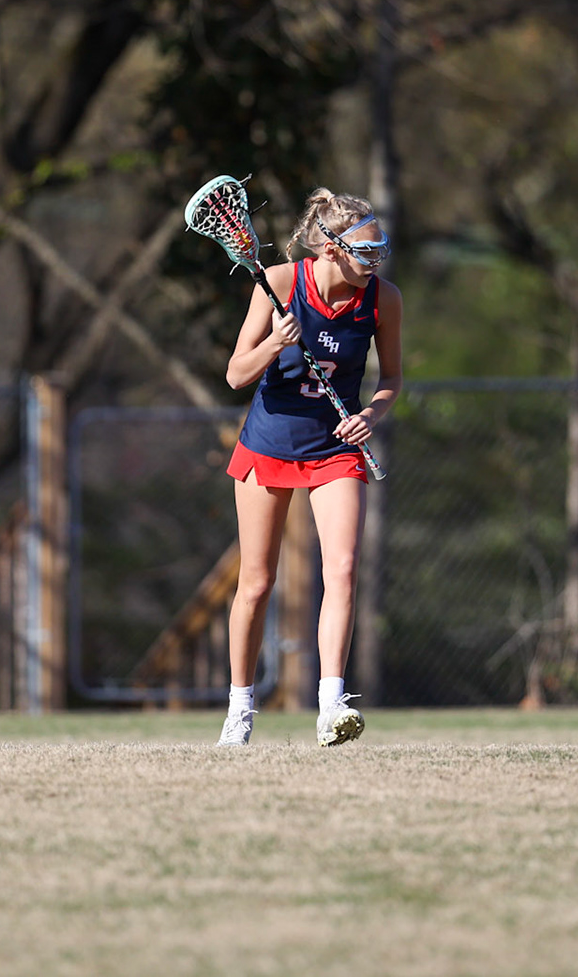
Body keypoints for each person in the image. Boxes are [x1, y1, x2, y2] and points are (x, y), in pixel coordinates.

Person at [216, 188, 402, 747]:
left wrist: (371, 413)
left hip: (334, 451)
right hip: (270, 442)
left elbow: (391, 379)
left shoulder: (382, 299)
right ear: (329, 249)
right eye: (364, 254)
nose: (375, 264)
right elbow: (235, 374)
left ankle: (330, 705)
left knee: (341, 570)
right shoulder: (276, 283)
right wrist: (275, 341)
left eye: (380, 252)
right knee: (256, 583)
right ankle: (240, 709)